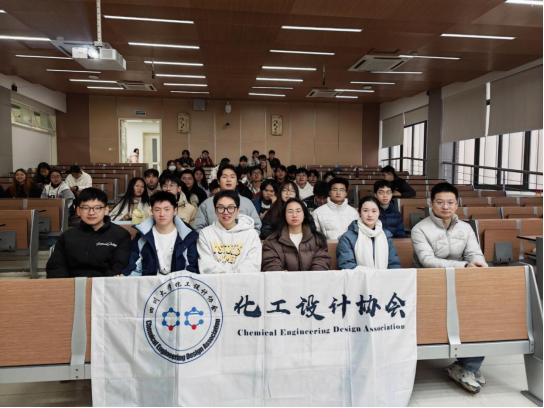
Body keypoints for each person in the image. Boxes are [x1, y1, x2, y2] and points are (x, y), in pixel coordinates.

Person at [411, 182, 487, 395]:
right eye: (440, 202)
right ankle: (467, 367)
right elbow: (427, 261)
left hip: (462, 280)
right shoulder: (420, 229)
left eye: (450, 202)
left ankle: (467, 365)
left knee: (480, 314)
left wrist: (480, 266)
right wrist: (464, 266)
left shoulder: (465, 228)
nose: (445, 207)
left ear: (457, 204)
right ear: (431, 203)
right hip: (429, 283)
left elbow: (475, 254)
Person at [46, 188, 131, 278]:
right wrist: (66, 284)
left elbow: (118, 268)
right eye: (85, 208)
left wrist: (94, 285)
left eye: (97, 208)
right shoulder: (67, 236)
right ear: (78, 211)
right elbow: (56, 267)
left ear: (106, 210)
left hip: (103, 284)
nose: (91, 213)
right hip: (72, 283)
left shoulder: (121, 235)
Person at [121, 192, 199, 276]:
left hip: (179, 282)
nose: (162, 214)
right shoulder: (141, 237)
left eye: (167, 209)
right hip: (150, 283)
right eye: (157, 210)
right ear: (152, 211)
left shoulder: (187, 236)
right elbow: (134, 268)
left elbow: (192, 269)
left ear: (175, 211)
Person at [198, 191, 262, 274]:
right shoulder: (205, 234)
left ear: (238, 210)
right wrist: (222, 276)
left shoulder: (251, 235)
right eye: (221, 207)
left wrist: (232, 278)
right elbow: (206, 262)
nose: (226, 212)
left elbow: (252, 264)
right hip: (215, 281)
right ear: (215, 210)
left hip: (243, 281)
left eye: (231, 208)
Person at [262, 198, 331, 272]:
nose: (294, 215)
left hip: (312, 279)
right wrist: (282, 274)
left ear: (304, 214)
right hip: (284, 279)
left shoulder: (317, 239)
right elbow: (271, 265)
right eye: (290, 211)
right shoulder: (272, 241)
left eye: (298, 211)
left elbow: (321, 262)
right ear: (284, 215)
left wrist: (311, 276)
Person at [337, 196, 401, 270]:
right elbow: (347, 266)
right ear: (359, 212)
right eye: (365, 211)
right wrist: (373, 274)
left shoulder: (386, 235)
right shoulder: (347, 238)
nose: (370, 215)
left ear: (379, 212)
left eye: (374, 211)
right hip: (358, 277)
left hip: (384, 277)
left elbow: (394, 264)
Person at [194, 165, 262, 233]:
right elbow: (198, 228)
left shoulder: (247, 203)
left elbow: (256, 226)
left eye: (232, 177)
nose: (228, 180)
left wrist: (243, 238)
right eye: (224, 177)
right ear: (218, 181)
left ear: (237, 181)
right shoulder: (206, 204)